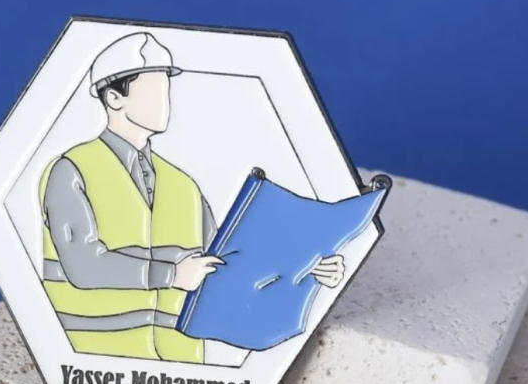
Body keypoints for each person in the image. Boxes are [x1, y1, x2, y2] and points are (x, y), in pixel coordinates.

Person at [38, 31, 345, 363]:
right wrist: (172, 275)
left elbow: (228, 265)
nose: (165, 101)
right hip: (93, 357)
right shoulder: (71, 170)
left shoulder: (183, 185)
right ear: (114, 98)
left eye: (166, 90)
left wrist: (305, 268)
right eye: (153, 91)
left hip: (180, 363)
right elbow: (83, 266)